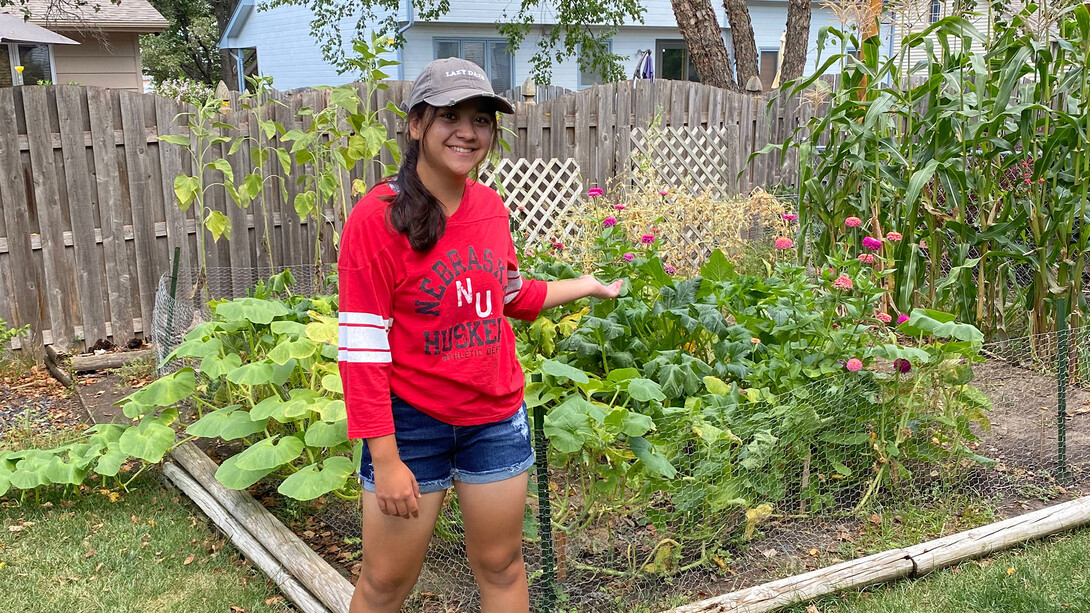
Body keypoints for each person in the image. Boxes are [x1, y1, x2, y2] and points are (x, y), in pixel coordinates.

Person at [337, 57, 622, 613]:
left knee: (502, 566)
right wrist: (388, 459)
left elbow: (507, 294)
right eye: (450, 115)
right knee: (385, 583)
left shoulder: (490, 208)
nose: (469, 131)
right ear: (417, 124)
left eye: (482, 119)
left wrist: (586, 284)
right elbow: (362, 349)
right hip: (411, 428)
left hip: (493, 419)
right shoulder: (378, 218)